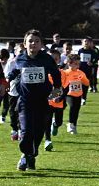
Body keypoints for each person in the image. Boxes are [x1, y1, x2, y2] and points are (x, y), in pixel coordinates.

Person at [6, 29, 62, 171]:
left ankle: (31, 155)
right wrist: (8, 80)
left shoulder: (46, 58)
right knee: (26, 130)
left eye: (37, 41)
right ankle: (25, 155)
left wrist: (56, 88)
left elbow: (55, 73)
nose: (33, 44)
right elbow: (15, 71)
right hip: (25, 100)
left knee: (38, 131)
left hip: (42, 100)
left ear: (41, 44)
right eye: (30, 41)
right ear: (25, 43)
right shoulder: (20, 58)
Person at [43, 47, 66, 151]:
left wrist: (60, 97)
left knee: (59, 121)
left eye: (55, 59)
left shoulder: (63, 73)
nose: (53, 61)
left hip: (59, 102)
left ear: (59, 60)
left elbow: (65, 87)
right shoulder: (43, 73)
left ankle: (56, 125)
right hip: (47, 102)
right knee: (46, 120)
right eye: (51, 59)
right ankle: (47, 140)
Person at [63, 54, 90, 134]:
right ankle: (69, 124)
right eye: (75, 64)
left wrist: (83, 80)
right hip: (68, 93)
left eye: (78, 64)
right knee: (71, 106)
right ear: (69, 63)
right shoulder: (65, 73)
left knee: (76, 110)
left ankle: (73, 125)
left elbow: (87, 83)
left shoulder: (80, 73)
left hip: (78, 94)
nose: (77, 66)